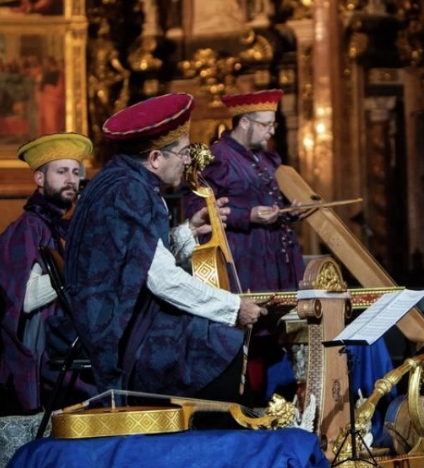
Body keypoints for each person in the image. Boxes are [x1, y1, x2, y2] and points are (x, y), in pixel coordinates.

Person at [64, 93, 265, 402]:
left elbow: (133, 257)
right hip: (115, 330)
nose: (188, 160)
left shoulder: (123, 180)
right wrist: (234, 308)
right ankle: (219, 435)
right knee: (219, 338)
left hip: (120, 312)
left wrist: (187, 232)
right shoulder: (129, 191)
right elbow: (162, 279)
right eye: (184, 152)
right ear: (156, 158)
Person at [182, 89, 304, 403]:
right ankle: (248, 404)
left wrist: (294, 207)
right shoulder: (219, 156)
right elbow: (196, 206)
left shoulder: (267, 157)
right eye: (266, 124)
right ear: (246, 122)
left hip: (276, 261)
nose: (272, 131)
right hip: (246, 262)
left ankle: (278, 404)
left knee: (275, 335)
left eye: (273, 124)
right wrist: (246, 215)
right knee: (251, 336)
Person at [0, 133, 91, 414]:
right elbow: (23, 299)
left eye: (76, 172)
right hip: (46, 356)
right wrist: (78, 264)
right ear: (39, 179)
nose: (71, 180)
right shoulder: (28, 227)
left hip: (65, 339)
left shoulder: (58, 226)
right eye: (61, 171)